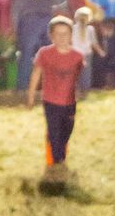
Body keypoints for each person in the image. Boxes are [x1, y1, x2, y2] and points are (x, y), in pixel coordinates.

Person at [26, 14, 86, 174]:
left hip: (69, 102)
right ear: (51, 36)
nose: (61, 37)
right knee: (54, 131)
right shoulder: (44, 53)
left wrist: (81, 92)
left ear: (71, 35)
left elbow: (79, 76)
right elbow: (36, 74)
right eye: (57, 34)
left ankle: (59, 155)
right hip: (50, 100)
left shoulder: (78, 56)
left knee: (66, 130)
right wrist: (31, 96)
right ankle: (56, 162)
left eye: (65, 33)